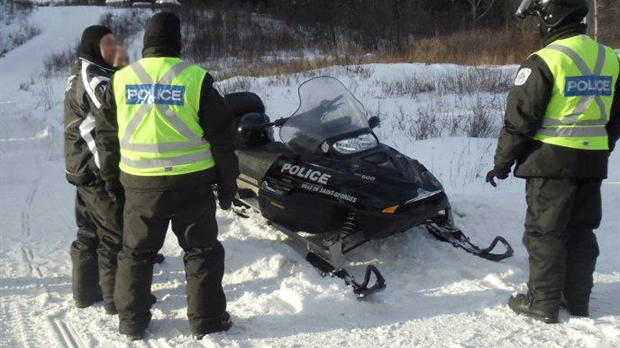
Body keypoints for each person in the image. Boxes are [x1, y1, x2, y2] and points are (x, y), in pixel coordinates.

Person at [96, 12, 239, 340]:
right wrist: (228, 182)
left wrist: (109, 180)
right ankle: (207, 322)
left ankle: (131, 323)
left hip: (140, 185)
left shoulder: (121, 79)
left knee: (135, 253)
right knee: (201, 251)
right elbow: (223, 137)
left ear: (146, 41)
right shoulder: (195, 78)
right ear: (177, 41)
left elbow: (105, 136)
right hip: (192, 183)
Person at [486, 0, 619, 324]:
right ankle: (578, 301)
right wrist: (603, 148)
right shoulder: (609, 58)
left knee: (545, 233)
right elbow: (615, 117)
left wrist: (501, 163)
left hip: (551, 162)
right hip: (592, 161)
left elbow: (520, 121)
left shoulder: (545, 61)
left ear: (550, 17)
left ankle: (542, 302)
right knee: (581, 231)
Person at [64, 25, 123, 314]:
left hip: (81, 166)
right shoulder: (94, 77)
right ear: (93, 46)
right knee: (114, 236)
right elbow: (114, 117)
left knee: (88, 232)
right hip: (95, 168)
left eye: (114, 43)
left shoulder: (82, 71)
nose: (113, 49)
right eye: (107, 44)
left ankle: (85, 293)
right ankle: (116, 300)